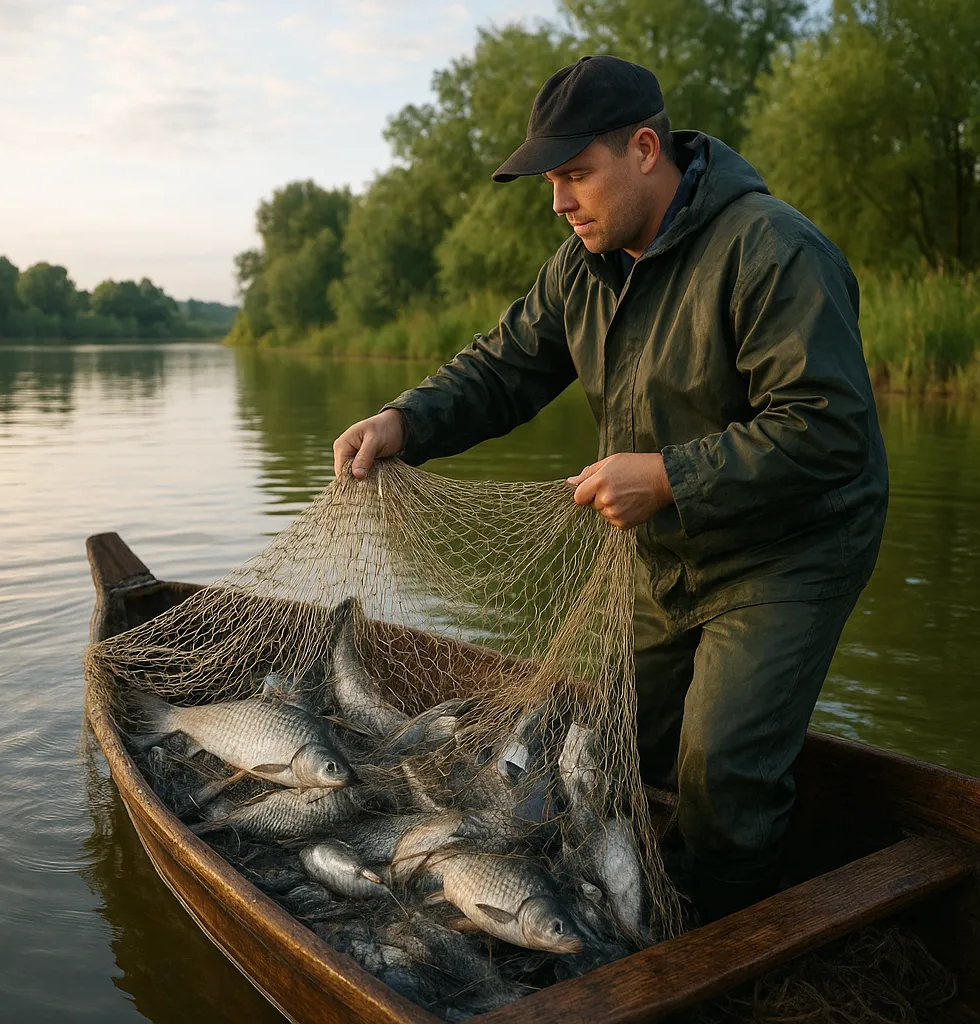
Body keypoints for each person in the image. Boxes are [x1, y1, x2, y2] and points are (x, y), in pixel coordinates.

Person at [332, 55, 889, 922]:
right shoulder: (581, 268)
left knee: (724, 770)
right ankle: (639, 911)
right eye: (551, 181)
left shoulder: (771, 249)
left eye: (574, 175)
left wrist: (669, 475)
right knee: (610, 750)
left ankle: (723, 955)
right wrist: (404, 421)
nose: (559, 201)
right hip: (665, 550)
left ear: (642, 149)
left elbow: (829, 430)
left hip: (792, 548)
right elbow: (501, 370)